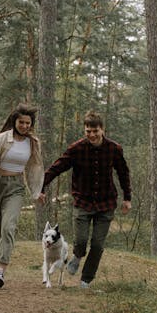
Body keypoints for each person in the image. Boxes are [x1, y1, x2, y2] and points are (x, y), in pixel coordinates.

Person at [41, 110, 131, 289]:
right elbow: (57, 167)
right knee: (81, 240)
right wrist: (41, 187)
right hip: (83, 201)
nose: (91, 135)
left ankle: (86, 280)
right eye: (88, 131)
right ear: (84, 130)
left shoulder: (114, 149)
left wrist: (127, 198)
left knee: (97, 244)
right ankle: (77, 256)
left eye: (95, 131)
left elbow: (123, 173)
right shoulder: (76, 149)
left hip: (106, 203)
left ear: (102, 129)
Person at [0, 103, 45, 288]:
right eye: (22, 122)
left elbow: (34, 168)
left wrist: (37, 192)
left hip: (16, 187)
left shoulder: (33, 143)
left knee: (8, 227)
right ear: (15, 121)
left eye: (28, 123)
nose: (25, 126)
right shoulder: (1, 139)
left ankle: (1, 270)